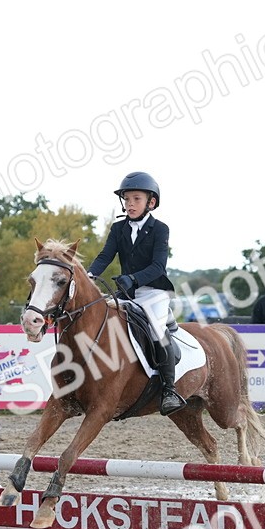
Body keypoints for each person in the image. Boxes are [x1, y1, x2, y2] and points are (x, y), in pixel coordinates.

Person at [86, 171, 185, 416]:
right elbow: (104, 256)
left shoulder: (160, 229)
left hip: (153, 292)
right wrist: (88, 277)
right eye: (127, 199)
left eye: (136, 199)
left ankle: (169, 389)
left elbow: (158, 267)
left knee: (156, 330)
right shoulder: (118, 228)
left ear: (151, 202)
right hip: (126, 293)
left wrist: (134, 278)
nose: (130, 204)